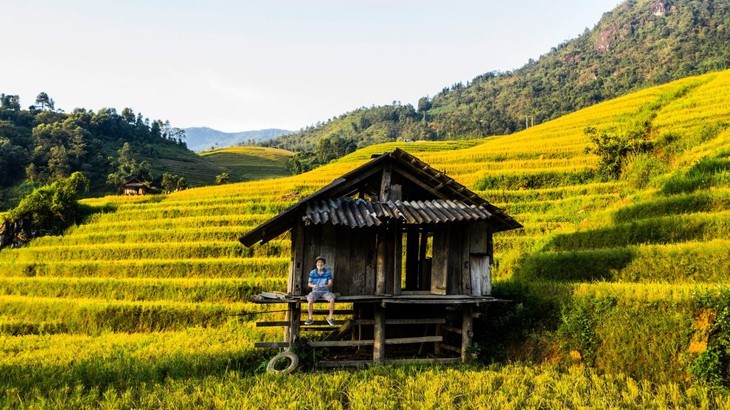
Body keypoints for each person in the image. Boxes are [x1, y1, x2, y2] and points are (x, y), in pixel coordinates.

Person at [305, 256, 336, 326]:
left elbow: (331, 283)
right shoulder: (312, 272)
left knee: (332, 299)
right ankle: (310, 318)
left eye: (321, 262)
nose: (320, 263)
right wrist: (314, 286)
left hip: (325, 291)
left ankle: (330, 318)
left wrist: (327, 285)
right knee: (310, 300)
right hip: (315, 291)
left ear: (324, 264)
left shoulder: (328, 272)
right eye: (318, 262)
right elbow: (309, 284)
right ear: (316, 264)